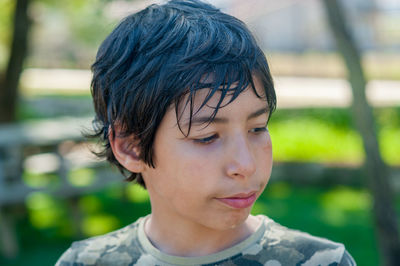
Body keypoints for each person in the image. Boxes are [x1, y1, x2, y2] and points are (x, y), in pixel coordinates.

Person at [56, 0, 356, 265]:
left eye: (257, 128)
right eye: (207, 137)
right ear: (131, 146)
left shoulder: (321, 262)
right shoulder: (84, 262)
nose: (246, 165)